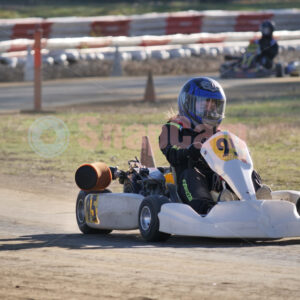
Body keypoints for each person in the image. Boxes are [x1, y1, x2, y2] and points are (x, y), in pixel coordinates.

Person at [159, 77, 270, 215]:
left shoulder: (217, 134)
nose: (210, 109)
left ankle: (256, 197)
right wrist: (189, 151)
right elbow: (171, 152)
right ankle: (208, 209)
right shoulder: (173, 128)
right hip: (188, 181)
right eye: (204, 104)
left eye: (214, 105)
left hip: (216, 181)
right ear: (188, 104)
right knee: (191, 174)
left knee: (244, 170)